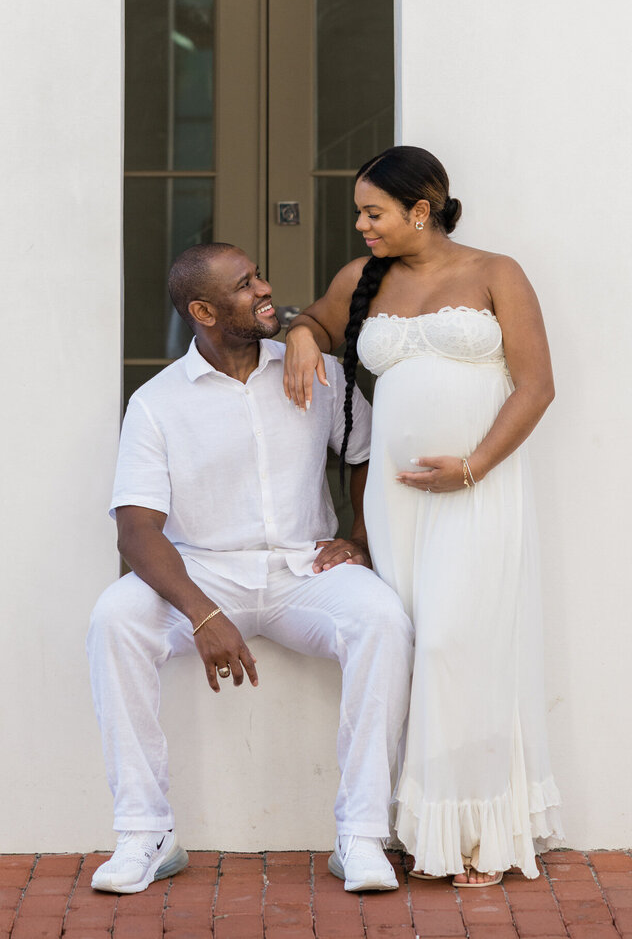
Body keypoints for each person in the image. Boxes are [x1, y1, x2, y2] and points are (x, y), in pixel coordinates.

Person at [87, 241, 414, 896]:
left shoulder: (312, 368)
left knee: (383, 617)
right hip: (203, 571)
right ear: (204, 310)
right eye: (246, 284)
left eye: (260, 273)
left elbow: (367, 451)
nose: (265, 288)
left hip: (305, 568)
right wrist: (202, 611)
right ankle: (145, 831)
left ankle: (362, 832)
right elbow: (136, 529)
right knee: (114, 618)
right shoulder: (158, 402)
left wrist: (360, 536)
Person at [282, 147, 563, 884]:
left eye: (372, 212)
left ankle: (475, 831)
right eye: (358, 213)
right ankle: (416, 822)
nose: (362, 225)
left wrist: (471, 466)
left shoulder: (497, 272)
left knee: (454, 646)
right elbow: (313, 319)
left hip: (477, 489)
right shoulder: (361, 279)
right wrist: (306, 336)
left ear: (420, 209)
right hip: (397, 502)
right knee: (414, 647)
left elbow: (535, 387)